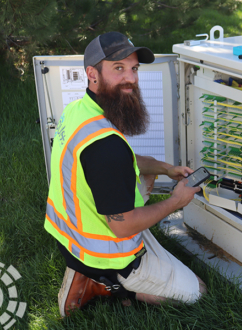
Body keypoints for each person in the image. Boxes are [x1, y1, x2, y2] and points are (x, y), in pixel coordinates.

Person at [44, 31, 206, 317]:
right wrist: (175, 202)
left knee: (140, 184)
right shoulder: (106, 147)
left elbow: (126, 161)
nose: (130, 78)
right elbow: (121, 226)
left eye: (133, 69)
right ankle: (110, 284)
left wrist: (166, 169)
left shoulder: (78, 111)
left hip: (70, 234)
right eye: (118, 69)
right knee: (197, 292)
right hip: (103, 252)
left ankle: (89, 273)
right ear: (92, 74)